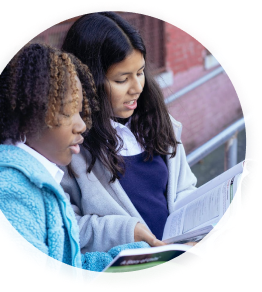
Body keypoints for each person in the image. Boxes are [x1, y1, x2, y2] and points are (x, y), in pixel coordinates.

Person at [0, 42, 149, 286]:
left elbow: (67, 269)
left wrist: (143, 260)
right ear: (27, 116)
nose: (82, 125)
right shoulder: (7, 192)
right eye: (68, 112)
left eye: (80, 112)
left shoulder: (37, 181)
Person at [60, 10, 198, 254]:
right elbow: (65, 226)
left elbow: (184, 189)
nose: (137, 88)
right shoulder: (69, 146)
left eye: (140, 72)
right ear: (88, 81)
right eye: (122, 79)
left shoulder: (161, 122)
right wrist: (126, 231)